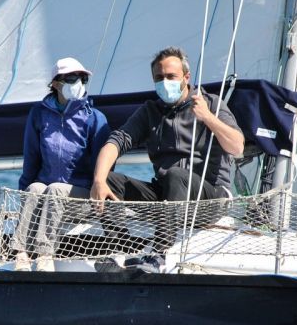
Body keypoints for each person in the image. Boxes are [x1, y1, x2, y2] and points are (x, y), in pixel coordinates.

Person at [90, 46, 244, 251]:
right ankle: (121, 248)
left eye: (171, 76)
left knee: (176, 175)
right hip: (166, 197)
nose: (165, 82)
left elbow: (237, 147)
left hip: (209, 200)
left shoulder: (212, 104)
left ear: (186, 77)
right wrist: (98, 180)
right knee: (109, 180)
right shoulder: (150, 111)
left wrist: (207, 117)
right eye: (159, 78)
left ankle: (160, 252)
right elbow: (116, 141)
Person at [11, 57, 110, 271]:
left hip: (82, 195)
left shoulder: (95, 118)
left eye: (82, 79)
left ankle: (45, 254)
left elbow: (105, 166)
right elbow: (31, 157)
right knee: (34, 188)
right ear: (56, 84)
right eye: (72, 78)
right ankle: (21, 254)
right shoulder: (38, 114)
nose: (79, 83)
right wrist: (22, 193)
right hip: (47, 192)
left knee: (56, 189)